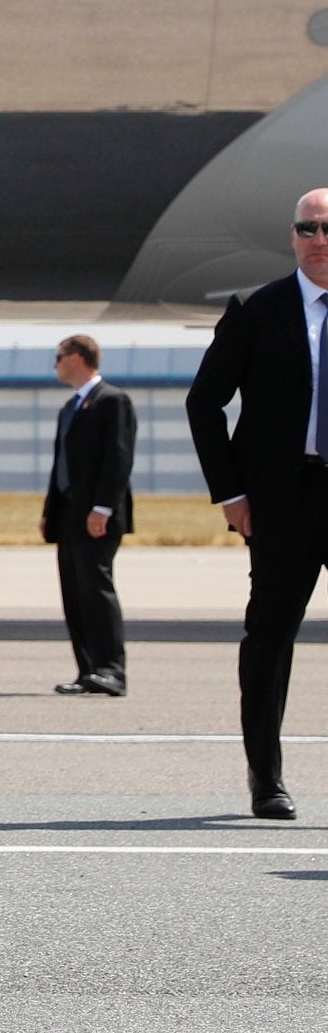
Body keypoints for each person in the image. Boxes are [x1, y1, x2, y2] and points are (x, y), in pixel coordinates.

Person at [186, 189, 328, 820]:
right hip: (281, 502)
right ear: (292, 236)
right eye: (308, 227)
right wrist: (232, 493)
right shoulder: (256, 310)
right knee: (269, 638)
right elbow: (205, 403)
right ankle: (266, 778)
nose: (319, 238)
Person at [43, 334, 134, 699]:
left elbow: (119, 458)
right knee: (75, 593)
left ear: (78, 358)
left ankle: (111, 670)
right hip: (69, 516)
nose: (56, 364)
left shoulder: (113, 401)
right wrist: (50, 513)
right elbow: (60, 466)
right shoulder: (70, 407)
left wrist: (104, 508)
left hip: (97, 516)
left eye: (59, 356)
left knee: (97, 591)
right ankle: (88, 670)